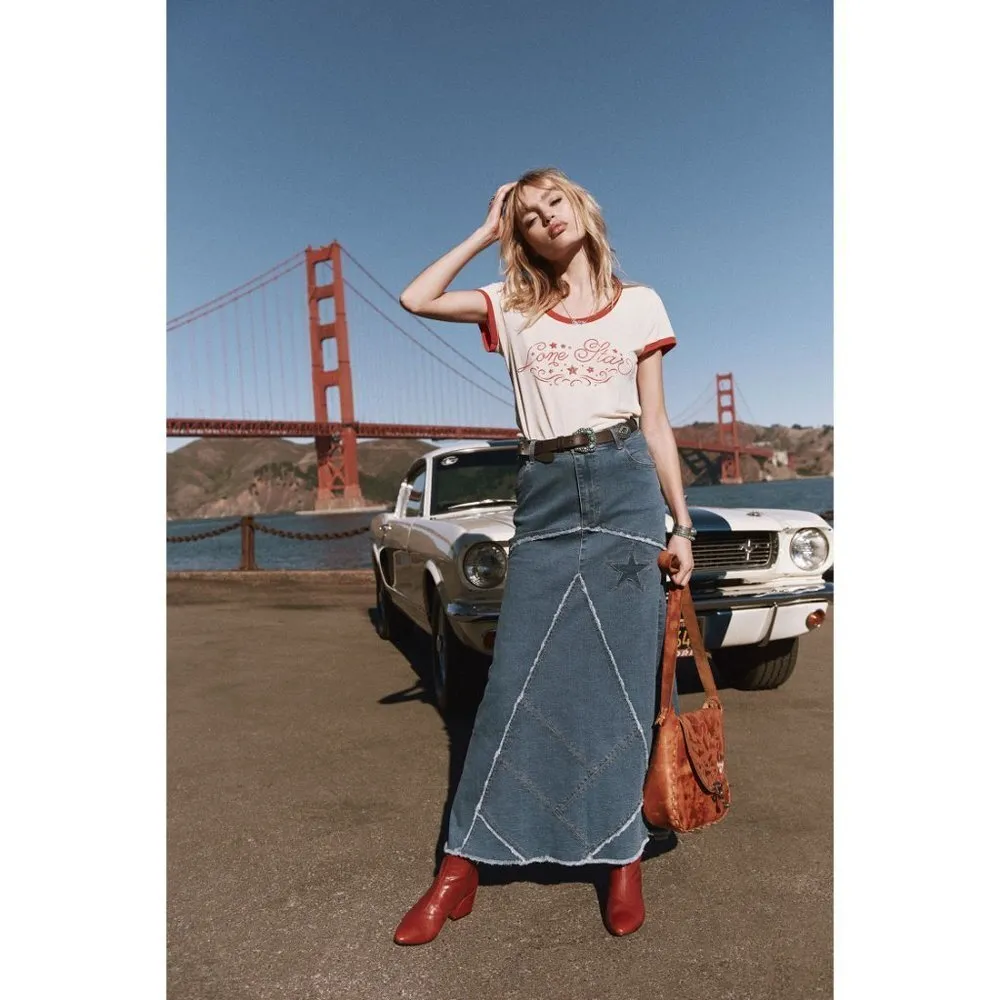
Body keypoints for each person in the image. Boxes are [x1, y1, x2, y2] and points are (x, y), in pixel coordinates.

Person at [393, 167, 695, 944]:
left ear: (584, 208)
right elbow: (415, 299)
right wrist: (482, 230)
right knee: (515, 682)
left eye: (552, 203)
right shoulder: (512, 308)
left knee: (624, 679)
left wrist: (682, 526)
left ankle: (618, 854)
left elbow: (657, 423)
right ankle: (461, 865)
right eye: (526, 217)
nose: (543, 220)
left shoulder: (643, 304)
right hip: (548, 489)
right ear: (516, 235)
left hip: (627, 485)